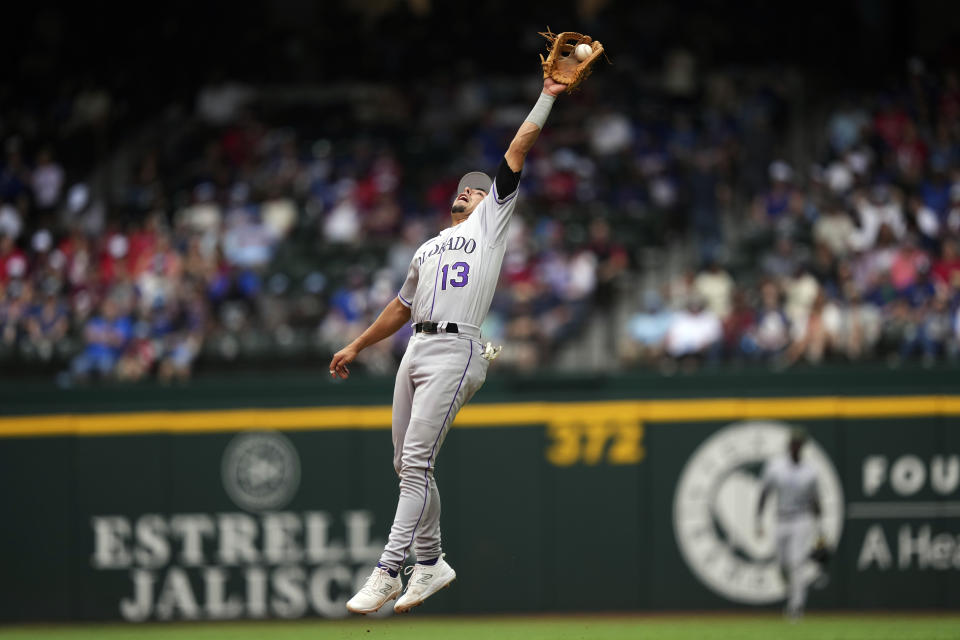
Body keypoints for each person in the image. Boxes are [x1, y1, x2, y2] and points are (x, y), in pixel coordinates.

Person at [329, 74, 569, 615]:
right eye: (464, 186)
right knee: (407, 466)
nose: (469, 189)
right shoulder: (430, 245)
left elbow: (516, 149)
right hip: (415, 348)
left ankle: (391, 569)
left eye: (477, 187)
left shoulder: (491, 223)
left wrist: (547, 95)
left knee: (414, 463)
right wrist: (357, 345)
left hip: (456, 350)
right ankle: (432, 561)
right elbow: (400, 307)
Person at [755, 428, 823, 619]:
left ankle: (796, 607)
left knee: (797, 562)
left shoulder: (810, 471)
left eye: (798, 443)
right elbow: (764, 493)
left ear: (802, 446)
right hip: (780, 519)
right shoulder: (775, 467)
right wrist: (758, 520)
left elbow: (816, 502)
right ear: (788, 445)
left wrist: (820, 530)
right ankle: (792, 591)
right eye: (793, 443)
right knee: (782, 563)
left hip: (801, 519)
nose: (795, 446)